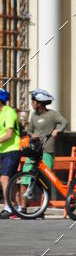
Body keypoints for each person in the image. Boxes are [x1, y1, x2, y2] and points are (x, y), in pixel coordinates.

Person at [0, 87, 21, 218]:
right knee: (10, 180)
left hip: (12, 149)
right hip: (2, 150)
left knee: (4, 178)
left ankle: (8, 206)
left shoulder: (9, 112)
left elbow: (9, 134)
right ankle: (18, 207)